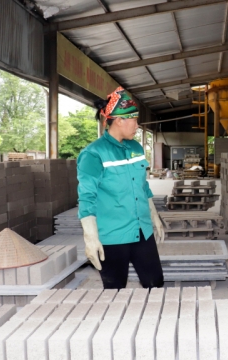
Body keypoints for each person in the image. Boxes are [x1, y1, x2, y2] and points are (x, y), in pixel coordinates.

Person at [77, 86, 164, 290]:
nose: (137, 125)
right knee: (115, 291)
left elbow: (143, 186)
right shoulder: (93, 154)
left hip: (142, 231)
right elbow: (86, 198)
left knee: (156, 283)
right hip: (112, 236)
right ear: (118, 120)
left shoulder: (136, 148)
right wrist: (90, 238)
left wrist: (154, 216)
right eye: (134, 119)